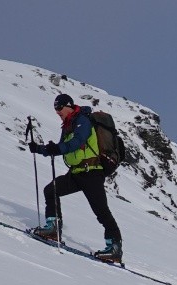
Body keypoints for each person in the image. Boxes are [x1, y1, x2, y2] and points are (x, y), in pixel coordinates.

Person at [28, 93, 123, 262]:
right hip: (77, 173)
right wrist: (40, 149)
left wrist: (56, 149)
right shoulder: (68, 124)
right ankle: (53, 229)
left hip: (91, 172)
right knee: (51, 190)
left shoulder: (82, 120)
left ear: (69, 106)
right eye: (55, 109)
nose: (57, 112)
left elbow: (76, 142)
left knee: (101, 211)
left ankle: (115, 247)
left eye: (60, 108)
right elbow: (61, 147)